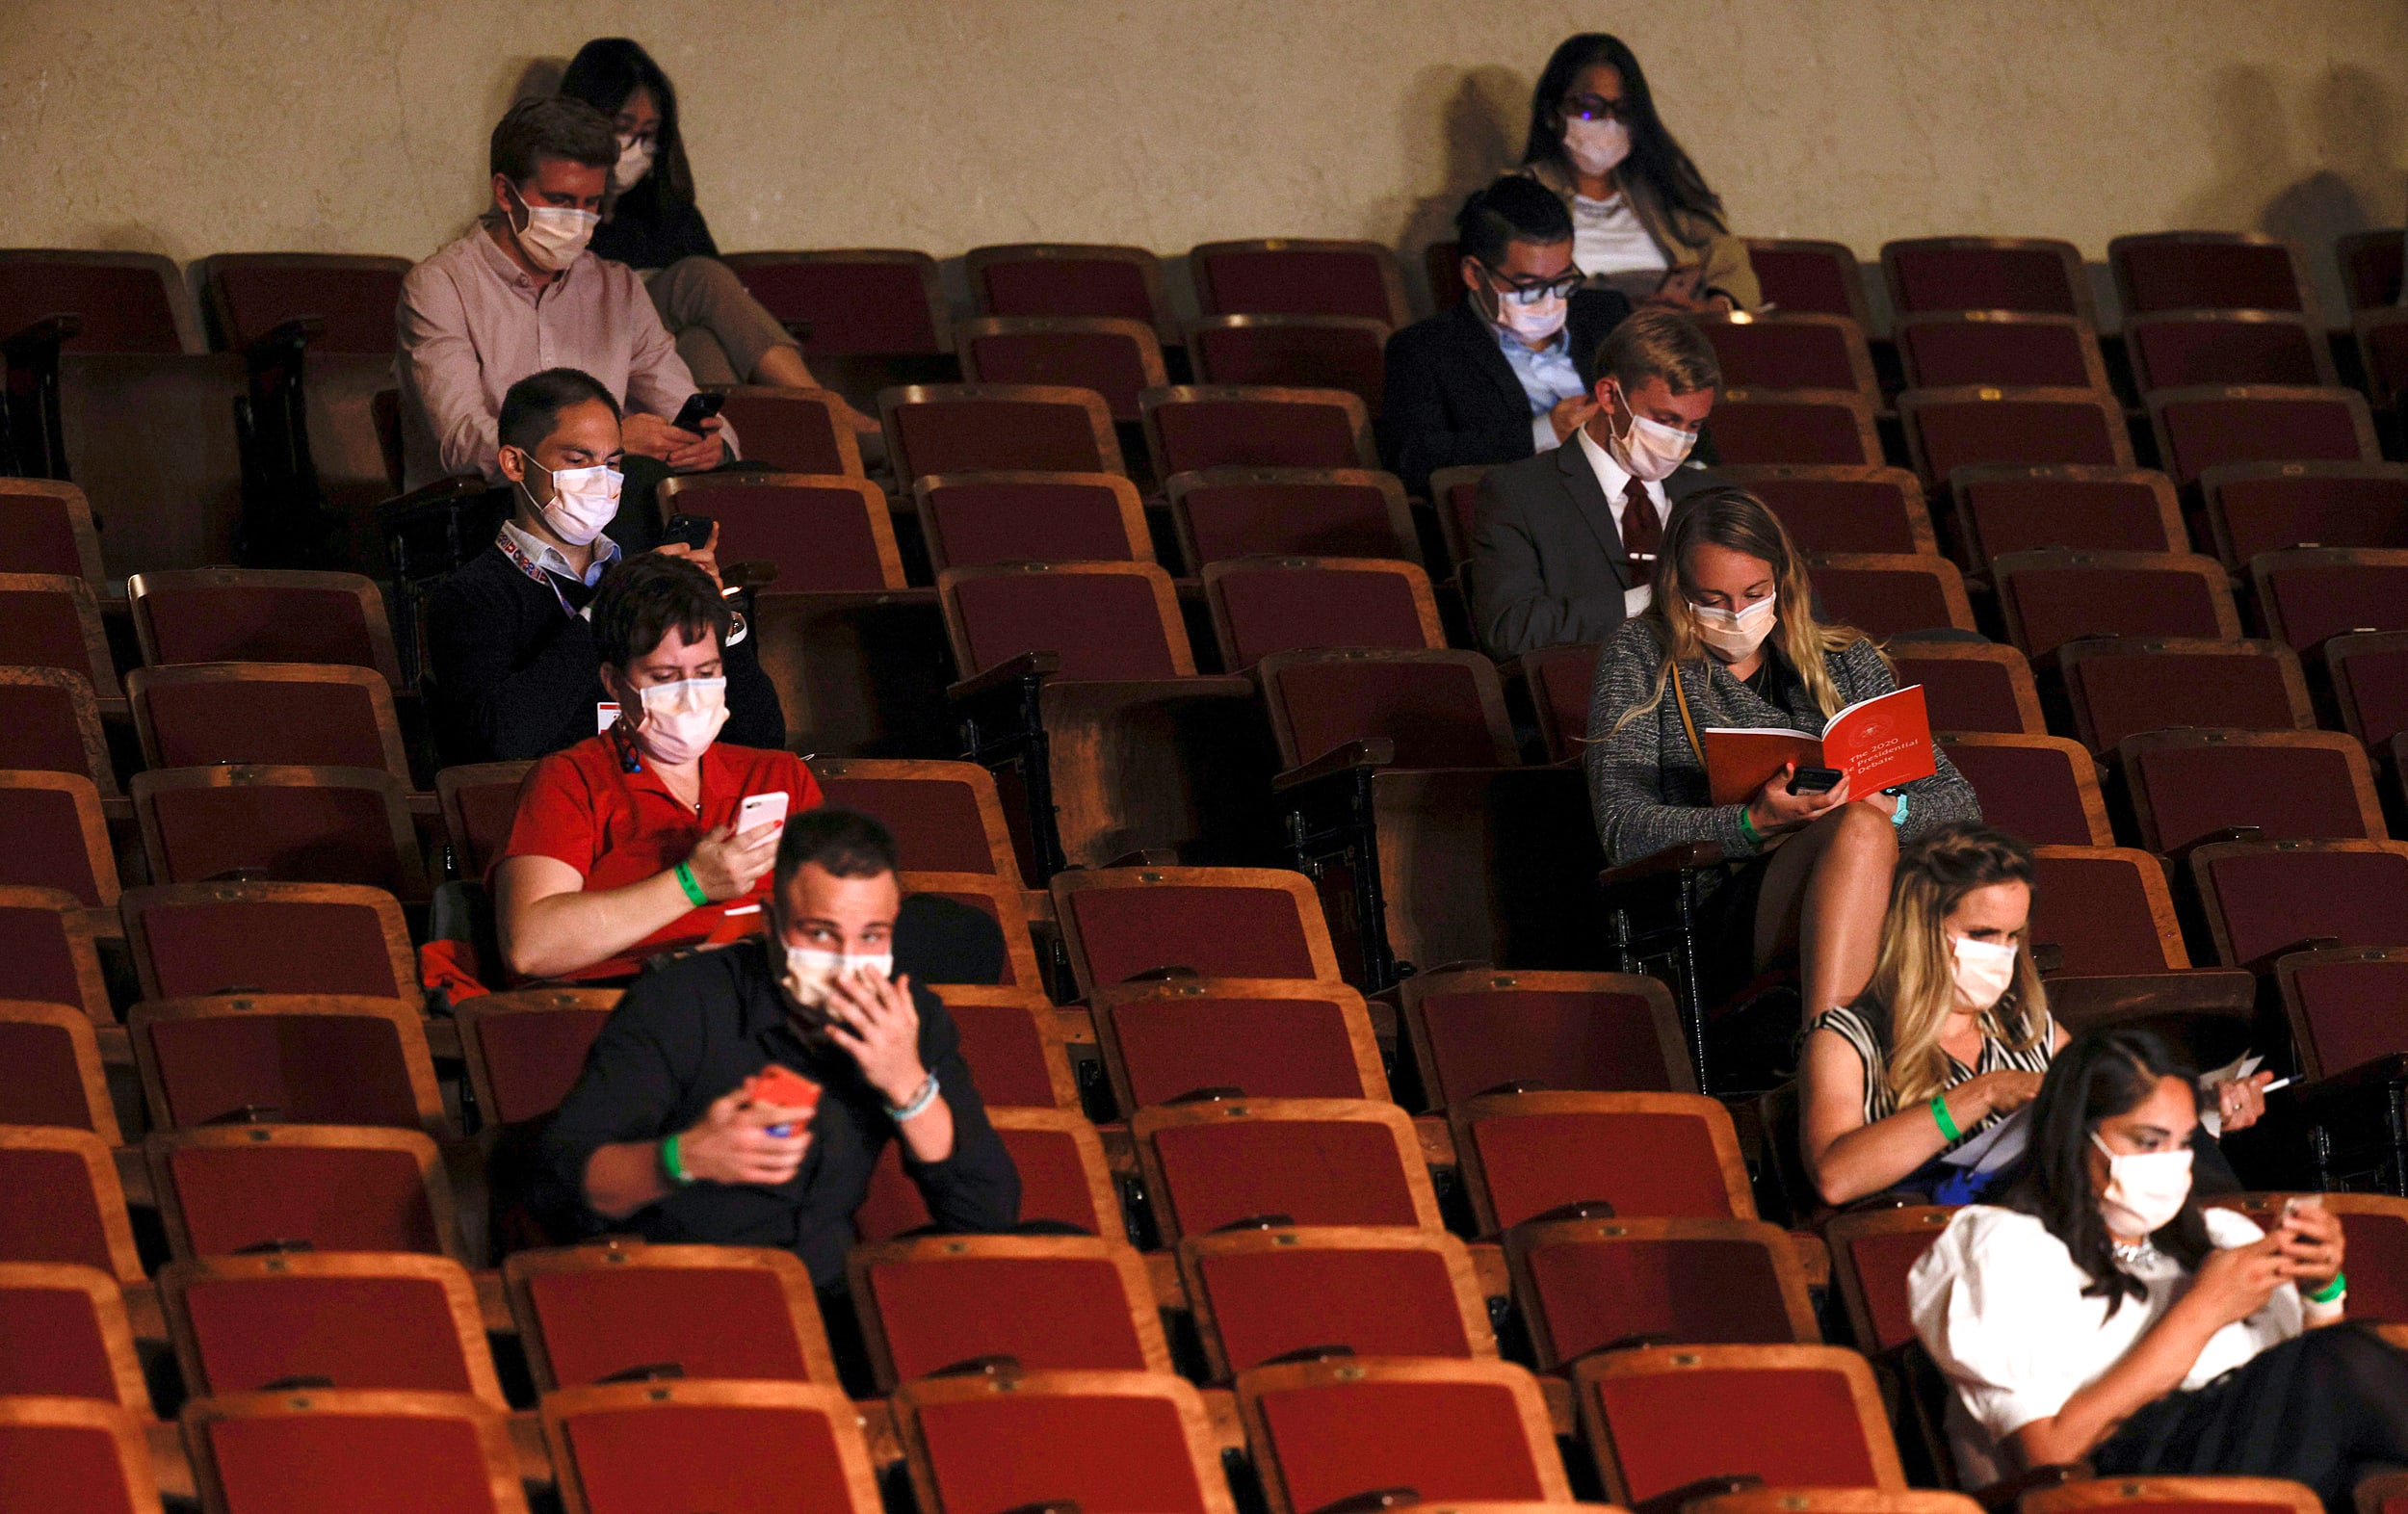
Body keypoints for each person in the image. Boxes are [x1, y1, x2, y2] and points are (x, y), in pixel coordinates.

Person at [1909, 1028, 2400, 1510]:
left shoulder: (2220, 1238)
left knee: (2363, 1432)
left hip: (2260, 1479)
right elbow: (2048, 1460)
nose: (2171, 1163)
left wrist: (2320, 1289)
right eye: (2147, 1142)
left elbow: (2303, 1400)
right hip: (2122, 1488)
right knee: (2346, 1358)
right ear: (2074, 1135)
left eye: (2183, 1143)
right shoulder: (2007, 1248)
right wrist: (2201, 1312)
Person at [537, 807, 1020, 1290]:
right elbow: (566, 1185)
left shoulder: (906, 1013)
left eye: (871, 936)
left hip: (830, 1297)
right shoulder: (681, 1000)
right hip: (682, 1289)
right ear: (771, 924)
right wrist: (683, 1158)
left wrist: (908, 1085)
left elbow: (987, 1216)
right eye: (820, 933)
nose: (847, 963)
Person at [1585, 486, 1983, 1027]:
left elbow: (1960, 804)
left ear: (1782, 583)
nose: (1737, 614)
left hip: (1871, 876)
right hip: (1718, 902)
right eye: (1714, 599)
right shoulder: (1640, 654)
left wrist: (1892, 809)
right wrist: (1751, 822)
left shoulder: (1843, 659)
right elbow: (1622, 827)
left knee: (1874, 829)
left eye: (1755, 593)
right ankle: (1836, 1047)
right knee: (1865, 834)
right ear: (1678, 589)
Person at [396, 94, 734, 520]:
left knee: (742, 494)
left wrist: (706, 446)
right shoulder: (440, 285)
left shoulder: (617, 288)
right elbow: (461, 444)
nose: (578, 220)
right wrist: (604, 447)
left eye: (590, 203)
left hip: (605, 513)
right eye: (559, 200)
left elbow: (678, 398)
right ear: (505, 192)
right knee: (636, 500)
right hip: (487, 513)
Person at [424, 367, 784, 765]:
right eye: (579, 460)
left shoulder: (642, 581)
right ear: (515, 464)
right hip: (555, 811)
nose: (600, 480)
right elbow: (500, 742)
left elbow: (760, 739)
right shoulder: (469, 596)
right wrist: (609, 606)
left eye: (612, 464)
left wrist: (718, 616)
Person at [494, 548, 821, 982]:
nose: (689, 694)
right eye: (664, 678)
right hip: (627, 1008)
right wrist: (692, 883)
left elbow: (840, 919)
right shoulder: (570, 780)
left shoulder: (780, 776)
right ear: (613, 682)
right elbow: (530, 946)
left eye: (706, 674)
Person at [557, 38, 878, 437]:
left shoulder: (667, 210)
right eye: (622, 131)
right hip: (602, 350)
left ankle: (726, 455)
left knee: (701, 343)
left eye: (648, 136)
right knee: (699, 278)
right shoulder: (555, 209)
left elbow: (727, 307)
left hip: (666, 365)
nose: (635, 150)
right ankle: (827, 412)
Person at [1802, 824, 2069, 1208]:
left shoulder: (2032, 1031)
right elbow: (1836, 1178)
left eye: (2013, 936)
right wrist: (1983, 1093)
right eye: (1982, 934)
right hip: (1913, 1246)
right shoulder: (1846, 1038)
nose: (2001, 953)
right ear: (1920, 930)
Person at [1470, 306, 1723, 658]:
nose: (1679, 440)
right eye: (1665, 419)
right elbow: (1511, 629)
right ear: (1608, 396)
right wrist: (1651, 601)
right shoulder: (1520, 494)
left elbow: (1791, 611)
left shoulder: (1714, 497)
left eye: (1693, 426)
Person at [1379, 177, 1633, 501]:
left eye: (1563, 281)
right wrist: (1543, 434)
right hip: (1526, 515)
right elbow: (1413, 461)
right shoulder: (1425, 349)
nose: (1550, 300)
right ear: (1474, 273)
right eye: (1528, 286)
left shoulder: (1607, 316)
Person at [1517, 34, 1760, 312]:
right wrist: (1618, 309)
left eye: (1621, 110)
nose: (1608, 122)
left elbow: (1728, 259)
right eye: (1589, 108)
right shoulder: (1524, 193)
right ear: (1552, 111)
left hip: (1673, 340)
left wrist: (1714, 307)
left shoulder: (1663, 188)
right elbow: (1520, 293)